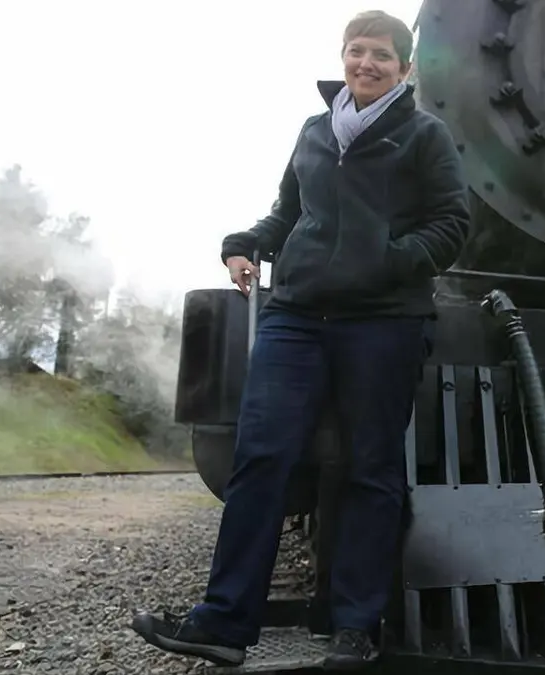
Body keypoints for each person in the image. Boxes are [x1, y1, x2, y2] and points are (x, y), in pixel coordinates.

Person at [129, 9, 470, 671]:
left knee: (372, 468)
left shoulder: (425, 135)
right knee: (261, 455)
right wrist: (243, 243)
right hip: (298, 314)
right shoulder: (315, 130)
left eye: (382, 55)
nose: (367, 63)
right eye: (357, 51)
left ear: (405, 69)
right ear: (343, 57)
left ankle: (355, 626)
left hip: (383, 319)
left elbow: (453, 223)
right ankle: (223, 621)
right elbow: (289, 212)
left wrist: (386, 261)